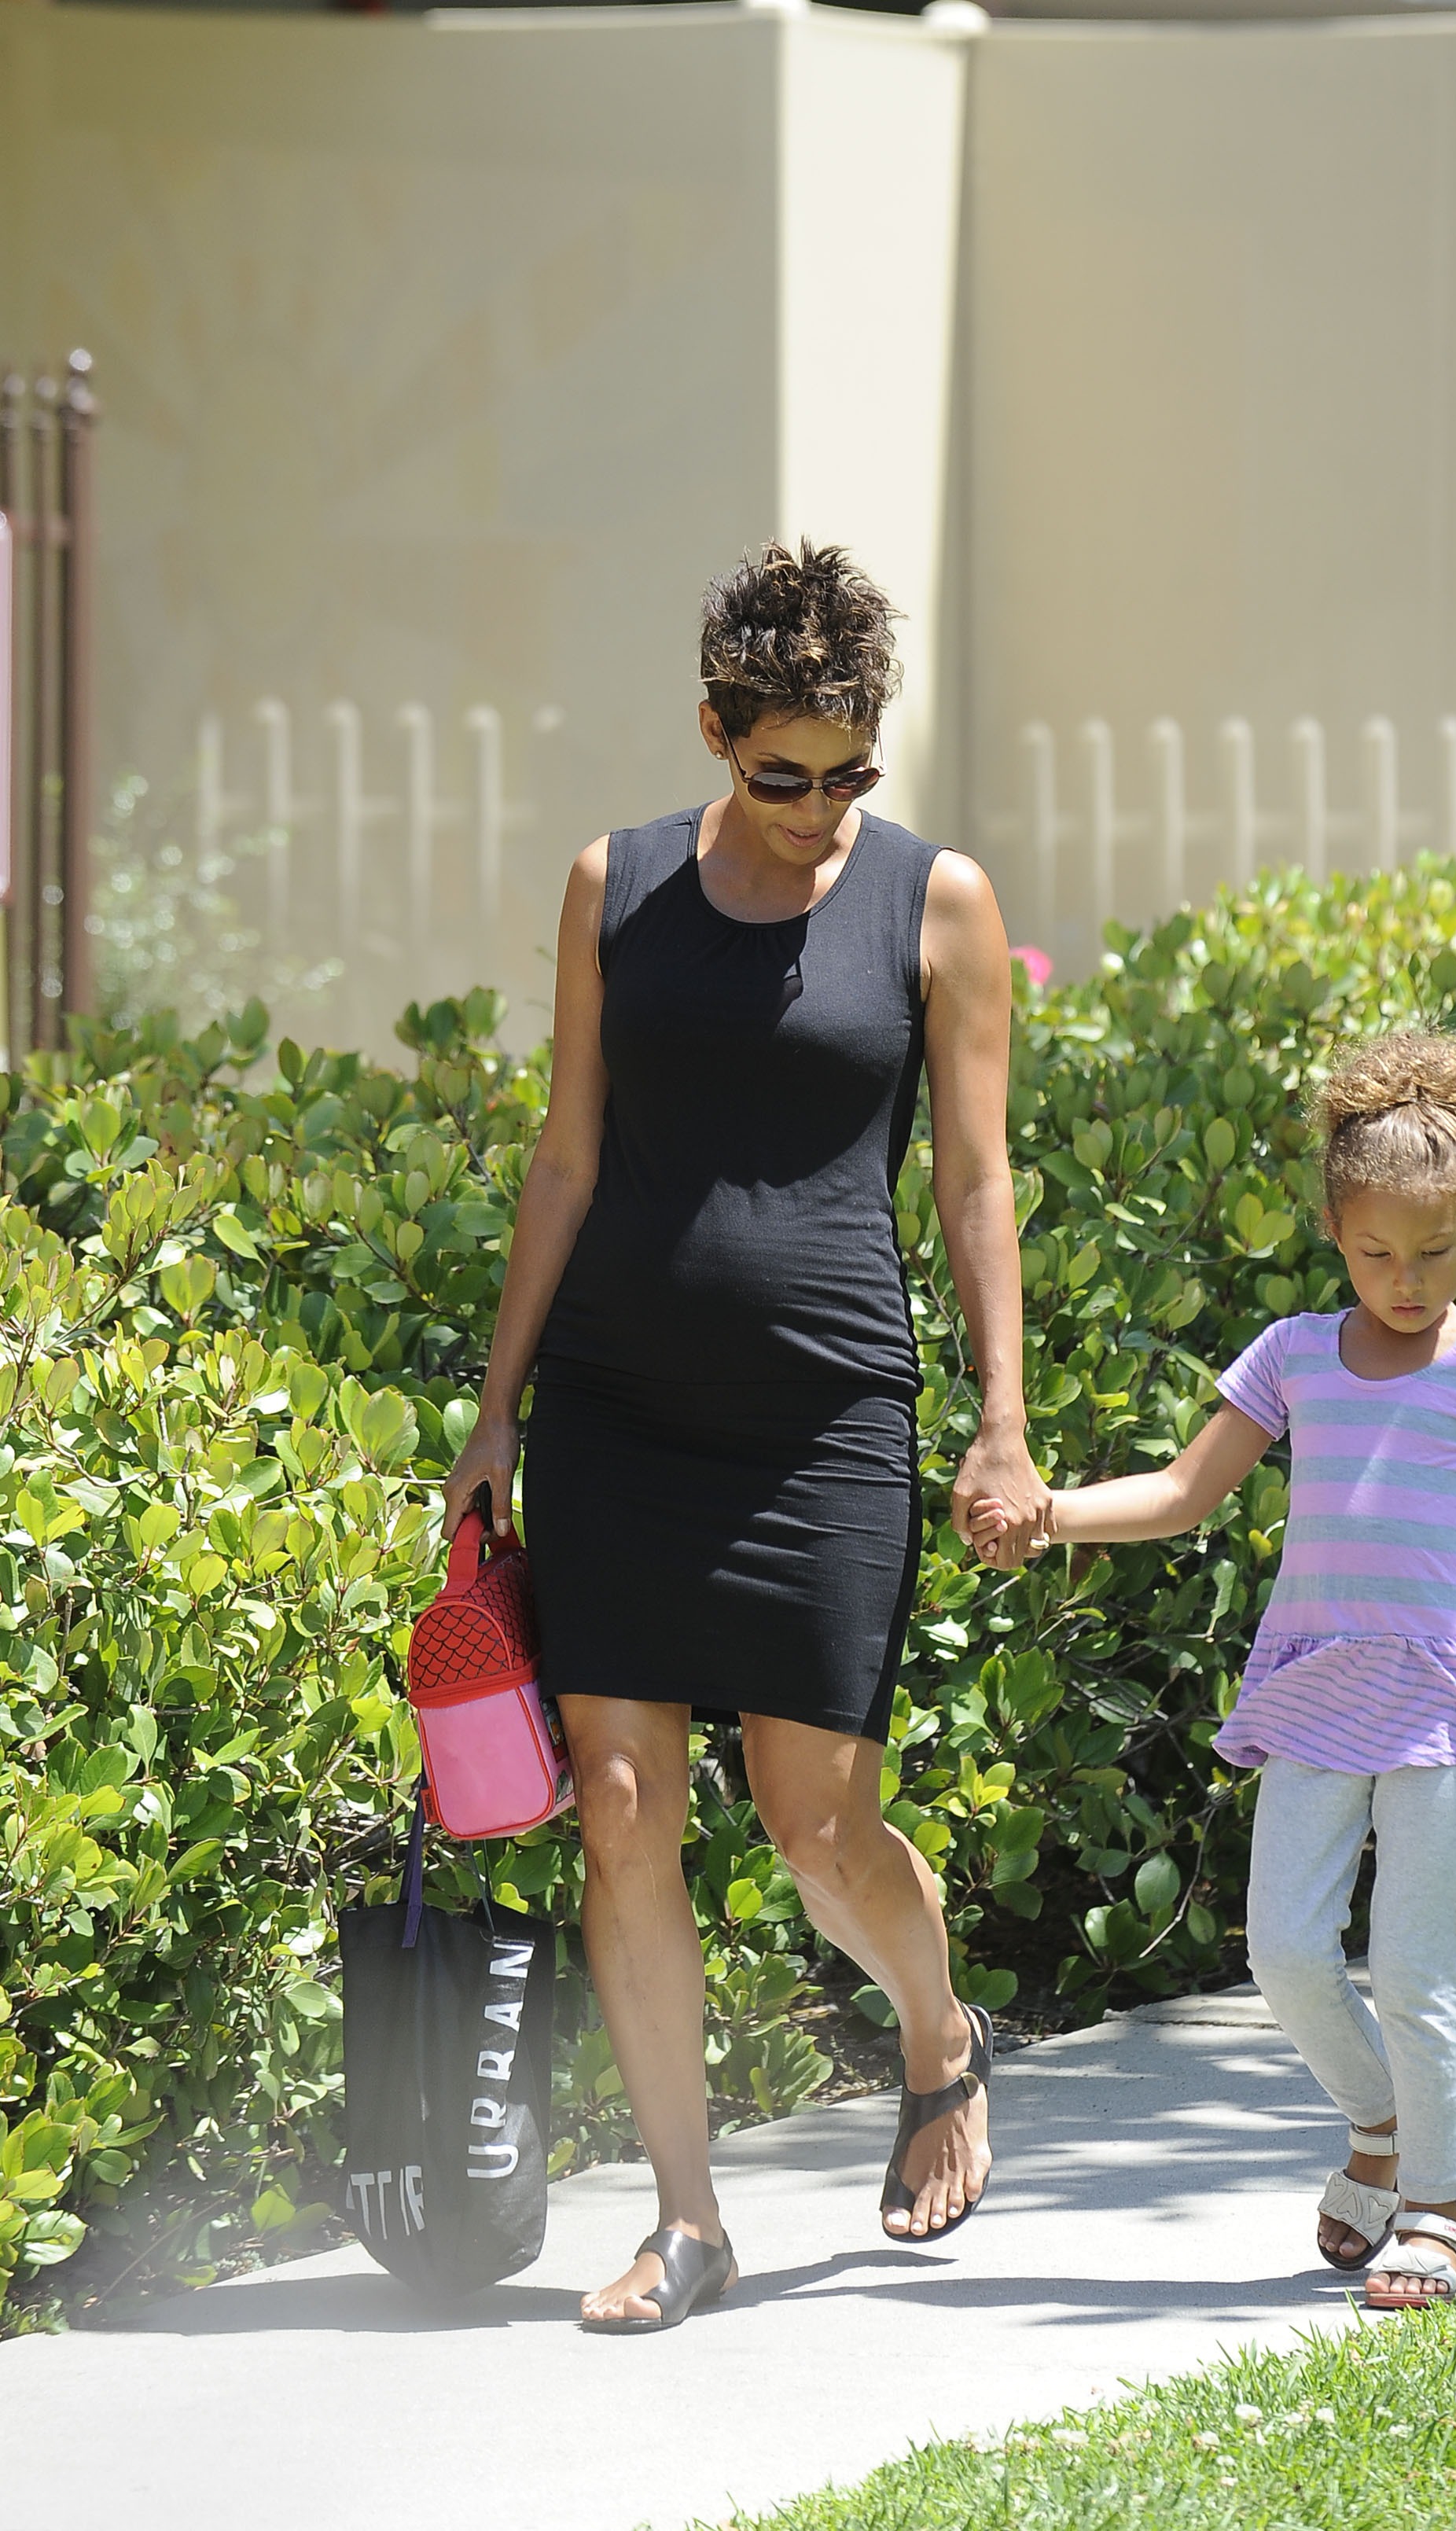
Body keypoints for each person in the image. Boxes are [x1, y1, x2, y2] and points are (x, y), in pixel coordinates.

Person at [440, 541, 1048, 2332]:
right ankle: (689, 2217)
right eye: (782, 772)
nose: (817, 808)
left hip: (825, 1421)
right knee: (619, 1806)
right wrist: (494, 1409)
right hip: (618, 1409)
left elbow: (975, 1179)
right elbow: (567, 1153)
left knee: (814, 1820)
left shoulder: (934, 904)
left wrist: (1003, 1424)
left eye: (851, 769)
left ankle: (938, 2030)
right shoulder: (612, 887)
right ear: (715, 732)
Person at [969, 1028, 1456, 2311]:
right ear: (1333, 1229)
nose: (1405, 1279)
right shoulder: (1293, 1355)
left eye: (1433, 1252)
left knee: (1417, 1967)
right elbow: (1179, 1491)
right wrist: (1047, 1515)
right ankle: (1376, 2130)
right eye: (1376, 1253)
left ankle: (1433, 2208)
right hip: (1317, 1686)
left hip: (1440, 1701)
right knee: (1281, 1952)